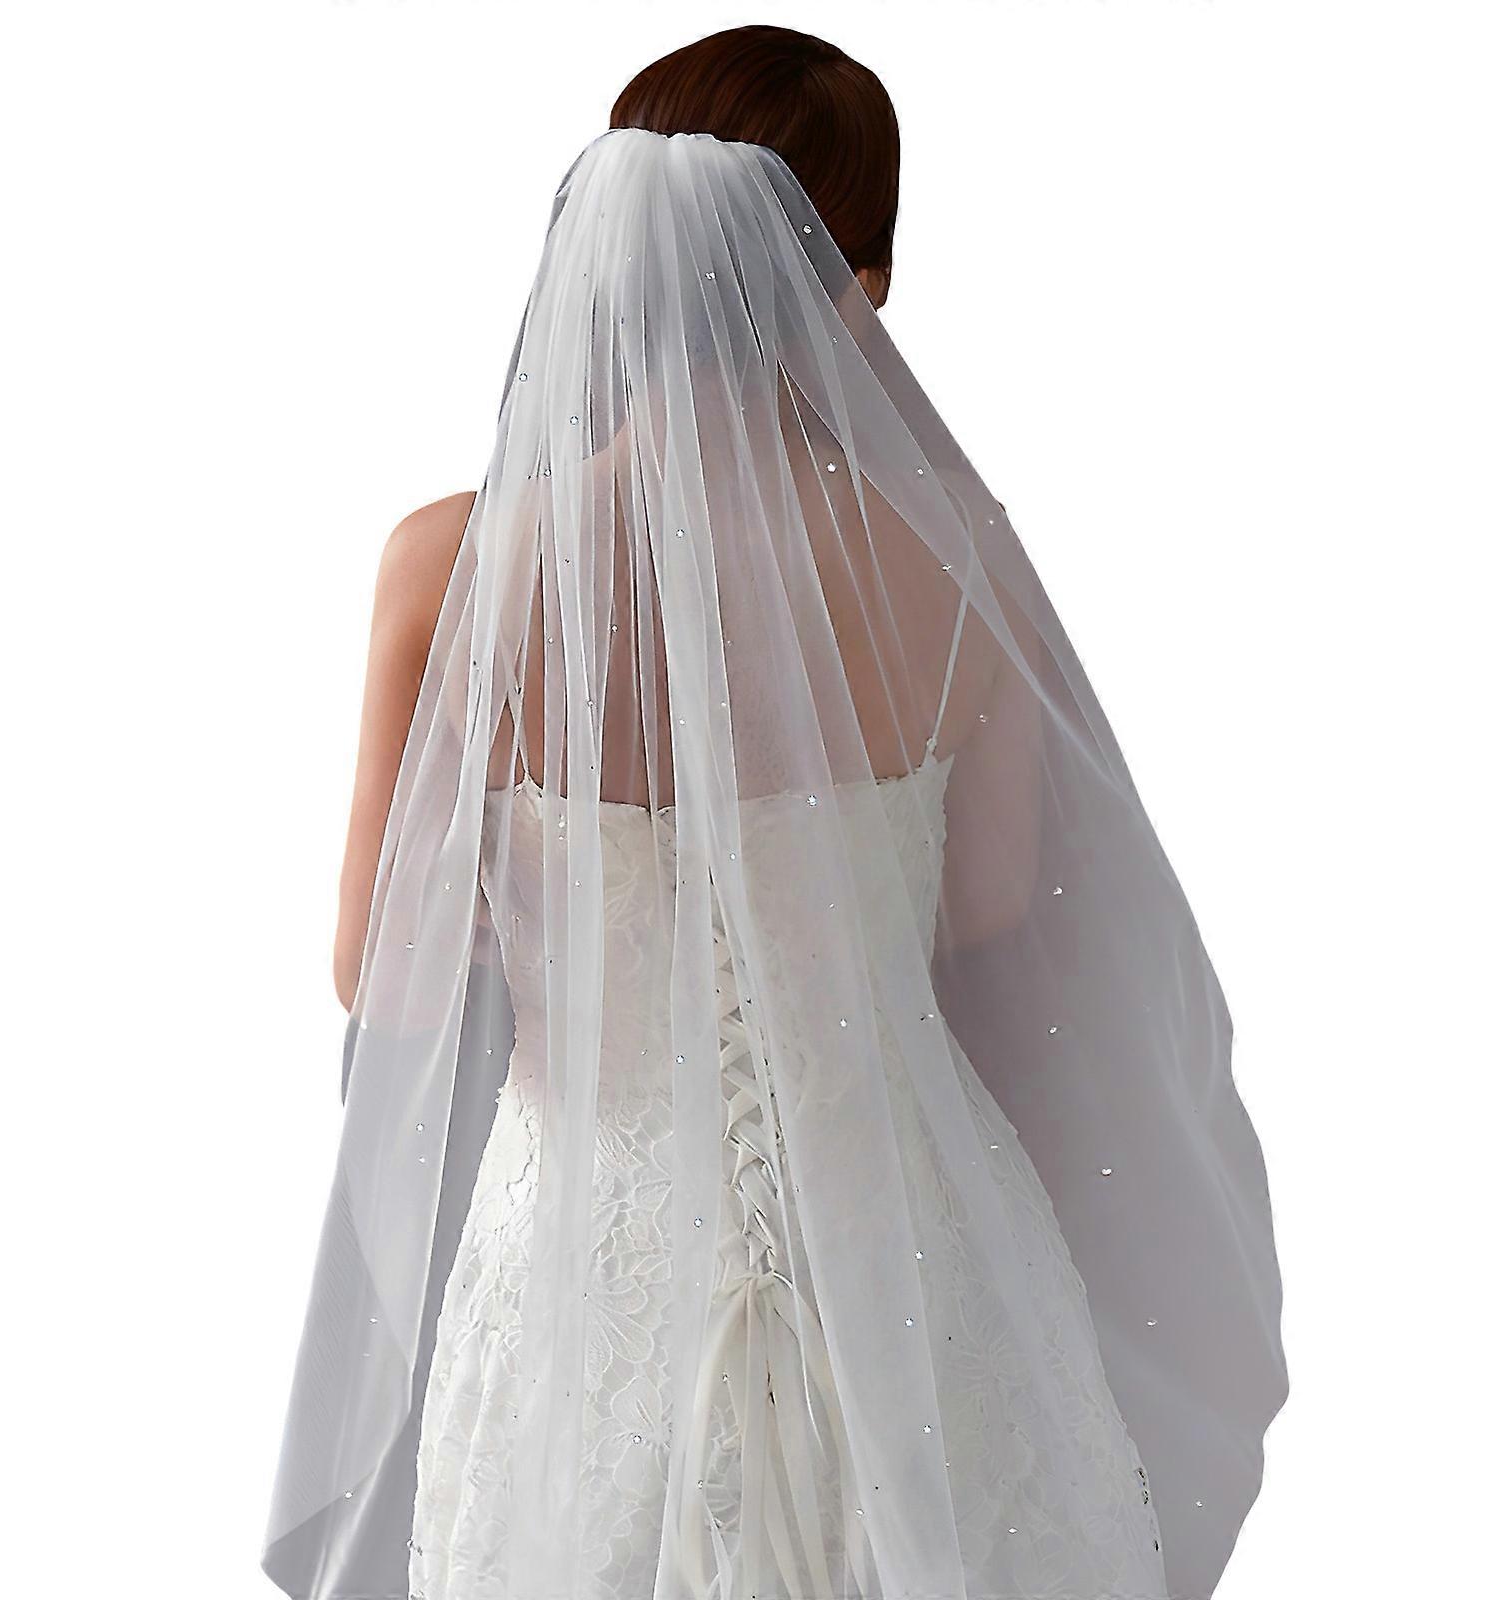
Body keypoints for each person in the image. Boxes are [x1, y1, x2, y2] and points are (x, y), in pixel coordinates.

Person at [265, 26, 1286, 1600]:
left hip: (581, 1265)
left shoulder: (450, 570)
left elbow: (380, 980)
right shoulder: (957, 554)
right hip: (908, 1247)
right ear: (852, 283)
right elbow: (989, 904)